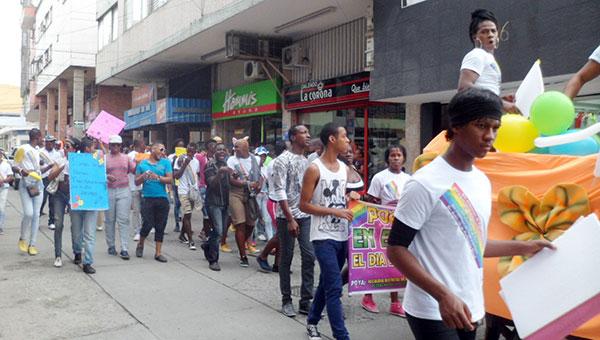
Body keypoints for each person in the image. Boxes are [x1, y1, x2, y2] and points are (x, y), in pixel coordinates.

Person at [387, 88, 555, 340]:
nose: (490, 136)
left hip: (471, 305)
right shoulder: (424, 182)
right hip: (433, 310)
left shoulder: (481, 181)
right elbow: (396, 249)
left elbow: (474, 244)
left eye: (495, 128)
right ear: (456, 126)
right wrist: (443, 295)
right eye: (481, 126)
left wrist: (527, 246)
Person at [300, 123, 354, 340]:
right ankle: (342, 336)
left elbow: (341, 199)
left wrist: (351, 201)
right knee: (334, 287)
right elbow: (304, 205)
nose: (348, 140)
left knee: (326, 282)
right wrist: (334, 211)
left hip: (342, 235)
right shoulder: (314, 168)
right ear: (332, 139)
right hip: (322, 237)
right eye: (345, 136)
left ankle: (312, 321)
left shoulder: (344, 168)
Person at [268, 126, 315, 317]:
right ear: (294, 137)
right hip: (286, 217)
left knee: (309, 256)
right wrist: (289, 219)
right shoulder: (282, 160)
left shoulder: (308, 161)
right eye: (304, 133)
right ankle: (286, 300)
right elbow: (279, 191)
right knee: (286, 259)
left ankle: (306, 300)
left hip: (305, 216)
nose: (309, 136)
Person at [361, 144, 411, 316]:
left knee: (395, 264)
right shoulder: (379, 178)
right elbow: (371, 201)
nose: (396, 158)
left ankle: (395, 302)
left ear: (404, 158)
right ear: (387, 158)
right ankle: (368, 296)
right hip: (380, 226)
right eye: (392, 155)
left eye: (399, 155)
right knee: (377, 260)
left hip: (400, 227)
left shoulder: (409, 179)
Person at [457, 9, 518, 113]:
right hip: (477, 119)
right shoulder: (477, 54)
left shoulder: (488, 58)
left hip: (488, 116)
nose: (490, 35)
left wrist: (500, 99)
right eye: (484, 32)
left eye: (493, 31)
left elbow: (483, 92)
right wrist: (502, 103)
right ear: (475, 37)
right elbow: (464, 87)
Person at [15, 128, 51, 256]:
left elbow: (39, 169)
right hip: (26, 185)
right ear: (37, 137)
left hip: (38, 185)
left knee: (36, 215)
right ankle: (22, 238)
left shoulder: (38, 151)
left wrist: (49, 167)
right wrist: (21, 172)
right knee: (29, 213)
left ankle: (32, 244)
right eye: (42, 137)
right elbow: (14, 165)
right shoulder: (23, 149)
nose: (43, 140)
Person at [227, 137, 263, 267]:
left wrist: (259, 186)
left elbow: (260, 176)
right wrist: (247, 183)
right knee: (240, 224)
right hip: (236, 193)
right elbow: (231, 179)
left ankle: (243, 243)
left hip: (251, 195)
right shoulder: (231, 160)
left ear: (246, 148)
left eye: (238, 147)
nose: (235, 149)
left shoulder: (256, 159)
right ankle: (243, 255)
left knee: (251, 224)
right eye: (235, 147)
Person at [135, 142, 173, 262]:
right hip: (147, 197)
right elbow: (136, 182)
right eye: (161, 150)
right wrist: (144, 176)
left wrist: (158, 177)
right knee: (148, 223)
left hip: (162, 197)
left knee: (160, 225)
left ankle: (158, 252)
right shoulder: (143, 164)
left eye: (164, 150)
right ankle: (141, 243)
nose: (163, 153)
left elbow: (170, 179)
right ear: (153, 150)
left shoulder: (165, 163)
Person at [70, 137, 102, 274]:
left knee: (89, 234)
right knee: (77, 231)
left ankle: (87, 262)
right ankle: (77, 252)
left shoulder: (97, 162)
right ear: (87, 148)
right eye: (93, 147)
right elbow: (67, 180)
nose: (94, 149)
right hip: (77, 202)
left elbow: (100, 176)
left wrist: (106, 178)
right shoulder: (73, 162)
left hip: (92, 202)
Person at [255, 141, 287, 273]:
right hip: (275, 201)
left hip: (281, 200)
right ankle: (263, 256)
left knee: (282, 234)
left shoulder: (281, 162)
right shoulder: (275, 164)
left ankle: (278, 264)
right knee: (280, 233)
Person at [47, 137, 78, 268]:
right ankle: (58, 255)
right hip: (59, 194)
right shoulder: (59, 160)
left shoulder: (79, 161)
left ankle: (77, 252)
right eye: (64, 146)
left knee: (76, 225)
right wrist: (61, 167)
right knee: (58, 224)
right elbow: (50, 176)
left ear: (75, 149)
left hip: (74, 195)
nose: (65, 149)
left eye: (68, 146)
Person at [105, 135, 135, 260]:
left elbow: (133, 170)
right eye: (113, 145)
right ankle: (111, 245)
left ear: (121, 145)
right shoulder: (104, 158)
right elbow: (98, 171)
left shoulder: (126, 158)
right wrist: (107, 176)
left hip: (123, 190)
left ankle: (124, 248)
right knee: (110, 220)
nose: (115, 147)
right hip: (109, 190)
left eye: (118, 144)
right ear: (109, 145)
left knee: (124, 220)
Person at [202, 143, 232, 271]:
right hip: (214, 202)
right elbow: (211, 184)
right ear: (214, 151)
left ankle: (208, 244)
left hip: (225, 202)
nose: (221, 152)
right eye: (218, 150)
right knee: (218, 231)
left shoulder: (227, 164)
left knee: (220, 231)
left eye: (223, 150)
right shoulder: (210, 165)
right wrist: (220, 173)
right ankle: (213, 260)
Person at [173, 142, 200, 250]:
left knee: (187, 215)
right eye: (188, 151)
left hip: (193, 192)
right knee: (187, 214)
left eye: (192, 151)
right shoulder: (179, 160)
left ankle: (181, 235)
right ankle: (191, 240)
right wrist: (184, 164)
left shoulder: (197, 162)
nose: (190, 153)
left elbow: (197, 174)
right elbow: (176, 176)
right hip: (183, 191)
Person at [40, 135, 61, 230]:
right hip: (43, 179)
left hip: (53, 179)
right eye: (50, 142)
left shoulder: (57, 154)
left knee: (52, 202)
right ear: (46, 142)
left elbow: (60, 166)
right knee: (42, 200)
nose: (52, 143)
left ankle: (51, 221)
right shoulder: (40, 153)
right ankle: (37, 219)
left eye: (53, 142)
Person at [128, 139, 146, 241]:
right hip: (134, 187)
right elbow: (131, 170)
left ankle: (145, 228)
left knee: (145, 210)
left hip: (145, 187)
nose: (145, 145)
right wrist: (136, 163)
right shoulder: (131, 156)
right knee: (136, 210)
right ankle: (137, 231)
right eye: (143, 143)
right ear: (138, 145)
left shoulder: (147, 155)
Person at [255, 145, 273, 242]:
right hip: (255, 196)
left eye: (264, 156)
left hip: (265, 195)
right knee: (255, 218)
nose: (262, 158)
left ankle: (270, 238)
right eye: (260, 156)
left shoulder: (267, 167)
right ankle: (253, 239)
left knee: (267, 218)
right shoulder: (252, 168)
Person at [169, 138, 186, 233]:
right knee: (177, 203)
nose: (181, 147)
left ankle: (185, 225)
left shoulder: (186, 156)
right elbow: (170, 169)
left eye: (182, 146)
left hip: (185, 183)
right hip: (176, 182)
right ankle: (177, 224)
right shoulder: (172, 157)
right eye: (179, 146)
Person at [0, 149, 14, 235]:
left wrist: (3, 181)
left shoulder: (6, 165)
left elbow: (11, 177)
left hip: (3, 188)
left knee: (1, 208)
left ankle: (0, 226)